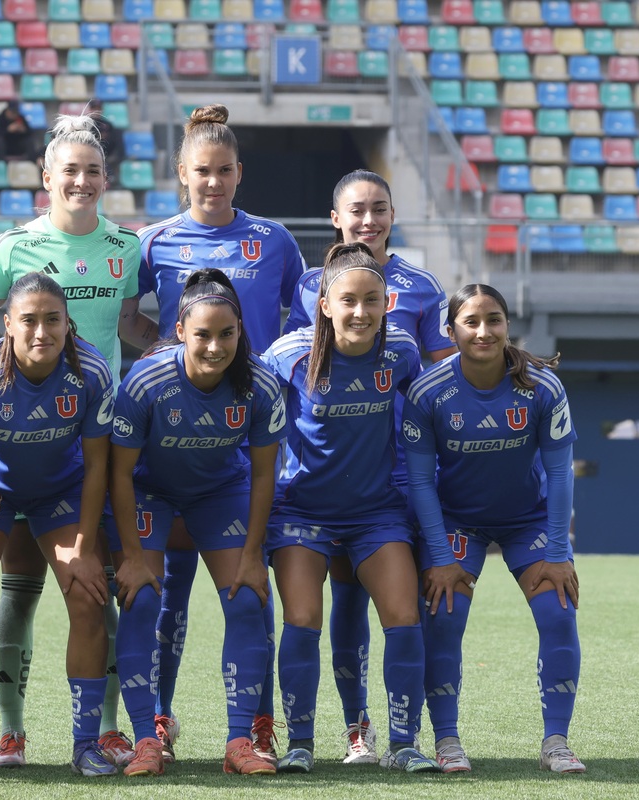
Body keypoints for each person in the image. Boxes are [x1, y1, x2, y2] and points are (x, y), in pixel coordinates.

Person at [0, 112, 154, 769]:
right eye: (70, 170)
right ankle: (1, 733)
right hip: (8, 447)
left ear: (107, 178)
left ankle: (101, 732)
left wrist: (186, 358)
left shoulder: (127, 249)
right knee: (5, 590)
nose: (82, 181)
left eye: (93, 171)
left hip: (85, 437)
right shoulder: (15, 248)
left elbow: (133, 325)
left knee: (93, 590)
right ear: (47, 177)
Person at [135, 103, 306, 761]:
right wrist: (162, 351)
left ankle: (255, 724)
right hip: (172, 436)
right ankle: (157, 720)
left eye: (224, 170)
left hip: (246, 433)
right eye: (201, 171)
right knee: (166, 595)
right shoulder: (153, 241)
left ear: (239, 173)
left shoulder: (274, 240)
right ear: (182, 172)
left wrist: (267, 370)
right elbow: (127, 316)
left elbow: (302, 321)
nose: (213, 181)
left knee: (249, 587)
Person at [283, 169, 456, 764]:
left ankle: (404, 742)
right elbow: (269, 402)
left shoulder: (408, 331)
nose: (360, 312)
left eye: (380, 208)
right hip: (306, 499)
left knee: (402, 614)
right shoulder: (291, 343)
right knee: (311, 615)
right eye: (357, 209)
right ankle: (313, 739)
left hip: (385, 490)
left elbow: (440, 389)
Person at [109, 269, 286, 777]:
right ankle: (146, 739)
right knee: (142, 598)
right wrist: (132, 557)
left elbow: (264, 474)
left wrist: (252, 557)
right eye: (203, 334)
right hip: (150, 491)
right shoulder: (147, 381)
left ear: (240, 332)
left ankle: (239, 742)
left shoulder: (260, 384)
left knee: (248, 598)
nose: (215, 346)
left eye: (226, 334)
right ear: (181, 330)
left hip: (219, 492)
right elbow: (119, 474)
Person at [401, 283, 584, 774]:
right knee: (444, 616)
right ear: (450, 331)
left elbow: (561, 473)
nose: (484, 331)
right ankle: (447, 740)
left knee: (559, 612)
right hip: (457, 521)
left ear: (507, 325)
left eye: (494, 320)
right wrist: (440, 557)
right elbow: (420, 482)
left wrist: (559, 551)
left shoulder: (542, 386)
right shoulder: (428, 391)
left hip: (528, 520)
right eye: (471, 322)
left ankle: (556, 742)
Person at [0, 272, 118, 777]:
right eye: (29, 320)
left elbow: (98, 466)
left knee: (88, 595)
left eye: (52, 320)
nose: (42, 331)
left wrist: (83, 545)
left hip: (60, 492)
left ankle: (86, 744)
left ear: (68, 323)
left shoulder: (91, 372)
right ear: (8, 325)